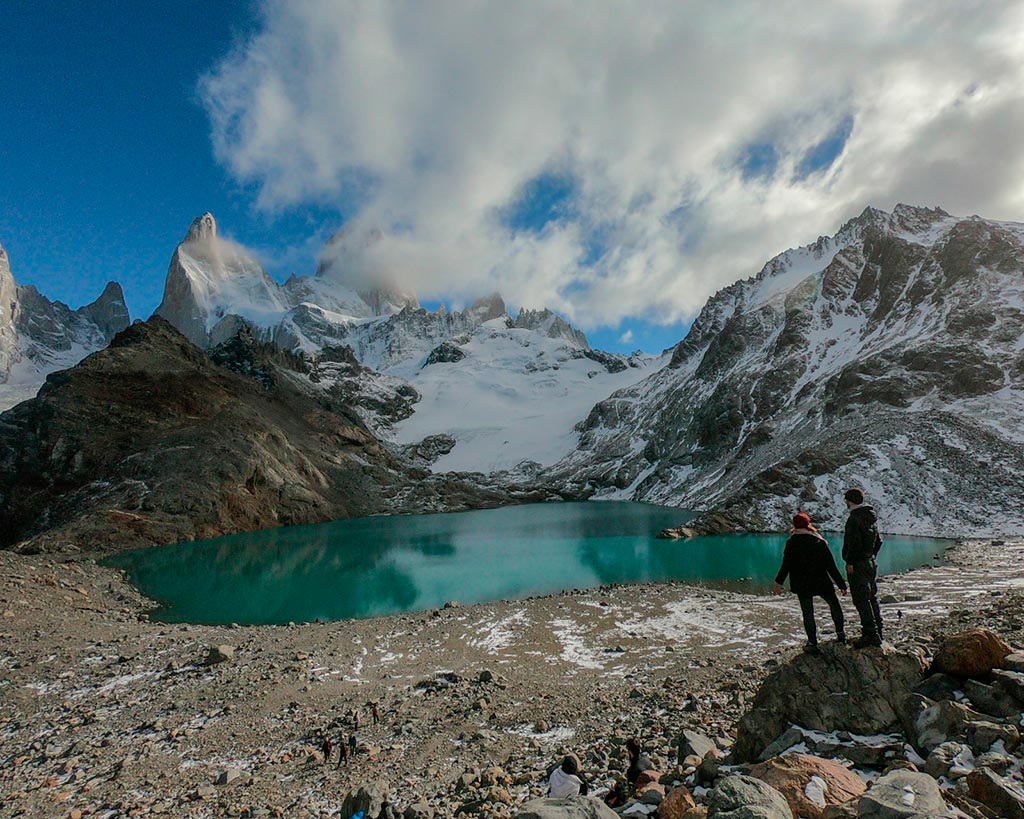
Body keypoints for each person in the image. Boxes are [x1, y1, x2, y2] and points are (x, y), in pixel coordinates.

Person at [773, 512, 847, 654]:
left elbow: (786, 565)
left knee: (808, 612)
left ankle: (812, 643)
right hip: (821, 581)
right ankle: (840, 634)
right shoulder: (819, 541)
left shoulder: (791, 542)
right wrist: (841, 584)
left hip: (802, 583)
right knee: (834, 605)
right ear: (809, 524)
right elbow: (830, 565)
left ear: (794, 526)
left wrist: (778, 583)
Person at [842, 488, 884, 648]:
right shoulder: (870, 517)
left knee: (861, 598)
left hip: (858, 563)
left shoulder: (854, 518)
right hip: (870, 562)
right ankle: (878, 630)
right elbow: (879, 541)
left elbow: (853, 542)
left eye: (846, 500)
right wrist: (871, 556)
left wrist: (850, 562)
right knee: (872, 596)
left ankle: (870, 634)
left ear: (850, 501)